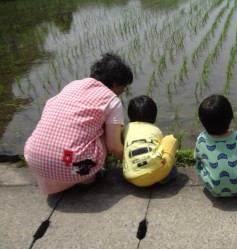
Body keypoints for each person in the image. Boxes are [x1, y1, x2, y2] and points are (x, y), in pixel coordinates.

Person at [24, 53, 133, 194]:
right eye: (124, 86)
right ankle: (87, 179)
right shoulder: (111, 100)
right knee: (105, 132)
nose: (123, 90)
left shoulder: (73, 85)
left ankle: (65, 177)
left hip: (34, 161)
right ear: (115, 83)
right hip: (70, 168)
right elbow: (113, 146)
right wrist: (131, 164)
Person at [194, 94, 237, 197]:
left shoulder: (202, 139)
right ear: (230, 117)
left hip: (214, 189)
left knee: (199, 165)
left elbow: (198, 160)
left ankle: (216, 188)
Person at [123, 95, 178, 186]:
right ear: (153, 115)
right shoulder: (155, 130)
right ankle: (164, 177)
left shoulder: (126, 129)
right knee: (170, 139)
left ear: (130, 115)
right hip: (157, 171)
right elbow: (161, 149)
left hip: (131, 177)